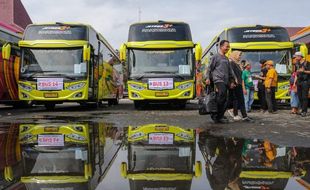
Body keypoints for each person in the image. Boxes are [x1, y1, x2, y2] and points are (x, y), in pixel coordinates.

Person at [205, 40, 235, 123]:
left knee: (226, 99)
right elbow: (209, 68)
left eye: (229, 47)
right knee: (222, 95)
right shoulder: (215, 57)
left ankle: (220, 115)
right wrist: (207, 78)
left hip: (226, 81)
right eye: (226, 46)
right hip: (218, 80)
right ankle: (215, 114)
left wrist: (232, 81)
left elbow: (230, 71)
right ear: (221, 46)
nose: (228, 48)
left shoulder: (226, 58)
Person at [228, 51, 253, 122]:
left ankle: (240, 115)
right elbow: (231, 74)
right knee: (239, 100)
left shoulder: (236, 63)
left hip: (238, 83)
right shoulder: (231, 63)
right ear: (234, 55)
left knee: (238, 100)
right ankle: (242, 116)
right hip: (235, 84)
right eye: (239, 55)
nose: (240, 57)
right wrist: (233, 82)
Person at [294, 52, 310, 117]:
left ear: (300, 56)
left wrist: (303, 71)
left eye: (296, 56)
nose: (295, 58)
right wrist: (295, 83)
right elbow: (296, 74)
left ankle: (304, 111)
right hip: (299, 82)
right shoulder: (297, 64)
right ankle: (302, 109)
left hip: (305, 82)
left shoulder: (307, 63)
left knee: (304, 97)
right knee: (299, 96)